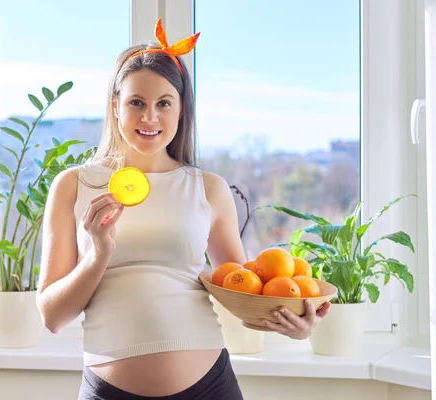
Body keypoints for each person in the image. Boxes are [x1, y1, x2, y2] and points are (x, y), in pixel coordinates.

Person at [37, 19, 331, 400]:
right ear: (115, 105)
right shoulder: (75, 186)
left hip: (210, 387)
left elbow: (243, 294)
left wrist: (294, 325)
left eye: (164, 104)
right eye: (136, 103)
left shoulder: (208, 188)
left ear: (181, 109)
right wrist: (99, 254)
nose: (149, 118)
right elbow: (52, 317)